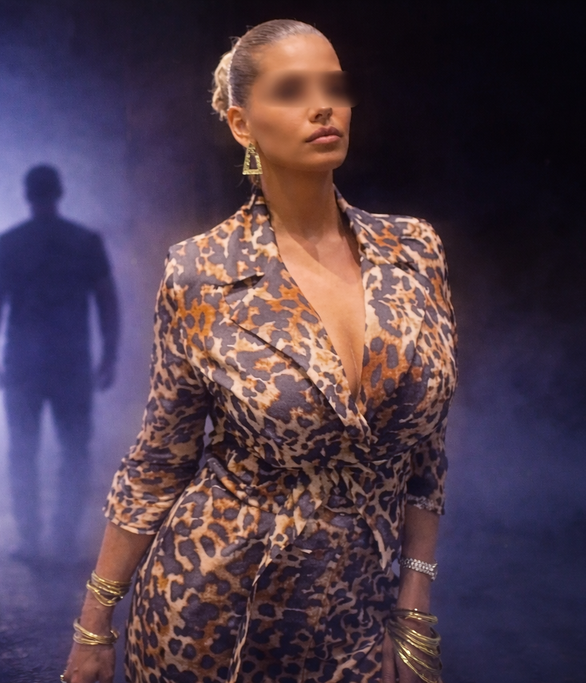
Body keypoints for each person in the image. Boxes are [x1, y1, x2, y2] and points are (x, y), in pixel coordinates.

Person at [63, 20, 457, 683]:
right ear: (241, 125)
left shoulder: (414, 250)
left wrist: (414, 603)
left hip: (359, 610)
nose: (323, 106)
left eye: (334, 87)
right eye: (292, 90)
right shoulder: (201, 272)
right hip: (213, 616)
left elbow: (427, 453)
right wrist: (94, 623)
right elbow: (160, 460)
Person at [0, 165, 120, 562]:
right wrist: (109, 354)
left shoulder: (11, 243)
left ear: (28, 194)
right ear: (59, 192)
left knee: (23, 451)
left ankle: (30, 538)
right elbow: (107, 301)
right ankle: (64, 536)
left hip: (22, 364)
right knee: (74, 451)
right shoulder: (84, 241)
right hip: (71, 361)